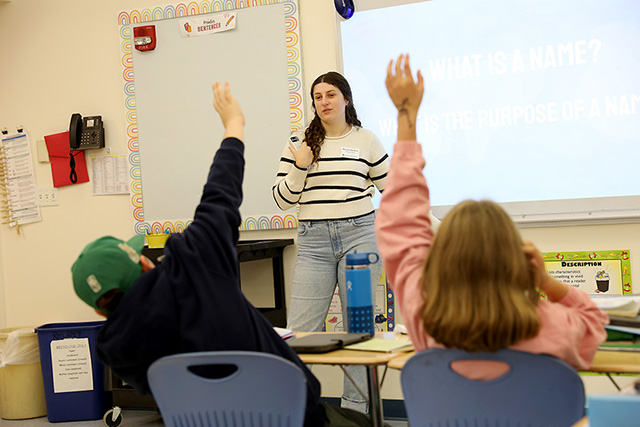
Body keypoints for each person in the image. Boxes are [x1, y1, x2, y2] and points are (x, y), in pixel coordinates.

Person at [71, 82, 377, 427]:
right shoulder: (195, 262)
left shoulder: (114, 348)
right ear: (143, 261)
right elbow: (221, 192)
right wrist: (234, 124)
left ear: (99, 309)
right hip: (291, 418)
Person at [376, 54, 609, 378]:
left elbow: (400, 222)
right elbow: (596, 322)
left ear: (442, 259)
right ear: (514, 258)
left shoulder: (424, 314)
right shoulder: (552, 325)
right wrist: (545, 282)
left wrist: (406, 115)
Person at [272, 71, 389, 411]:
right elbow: (281, 200)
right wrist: (301, 167)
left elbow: (394, 192)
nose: (324, 101)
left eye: (331, 95)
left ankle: (356, 413)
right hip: (314, 242)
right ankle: (292, 411)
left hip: (360, 235)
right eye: (318, 96)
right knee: (301, 331)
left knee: (358, 331)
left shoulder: (367, 140)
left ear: (346, 100)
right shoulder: (298, 143)